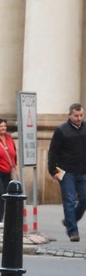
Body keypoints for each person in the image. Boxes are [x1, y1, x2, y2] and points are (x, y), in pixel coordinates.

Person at [47, 102, 86, 241]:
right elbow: (53, 152)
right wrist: (52, 171)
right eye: (76, 116)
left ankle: (70, 220)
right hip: (66, 172)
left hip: (83, 171)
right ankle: (73, 232)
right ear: (69, 115)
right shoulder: (61, 130)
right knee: (69, 201)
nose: (79, 118)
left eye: (81, 115)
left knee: (84, 200)